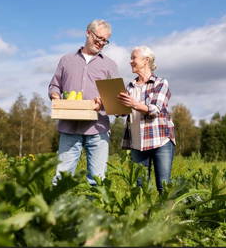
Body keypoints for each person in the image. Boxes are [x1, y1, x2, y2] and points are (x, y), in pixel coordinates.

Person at [48, 19, 119, 186]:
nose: (101, 43)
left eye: (105, 40)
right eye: (99, 38)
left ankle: (93, 211)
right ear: (88, 33)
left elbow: (116, 100)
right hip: (69, 127)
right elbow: (54, 85)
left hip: (98, 130)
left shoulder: (109, 65)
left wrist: (102, 102)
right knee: (61, 178)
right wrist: (55, 95)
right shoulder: (66, 60)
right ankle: (56, 211)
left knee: (97, 180)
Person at [117, 46, 175, 193]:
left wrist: (133, 103)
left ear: (146, 60)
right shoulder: (129, 87)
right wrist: (109, 103)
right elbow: (121, 113)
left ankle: (167, 216)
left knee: (163, 185)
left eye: (133, 58)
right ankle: (143, 216)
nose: (130, 61)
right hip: (137, 143)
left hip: (160, 140)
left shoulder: (160, 83)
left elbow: (155, 109)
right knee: (140, 187)